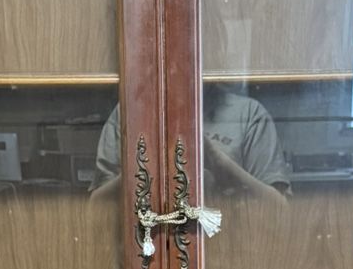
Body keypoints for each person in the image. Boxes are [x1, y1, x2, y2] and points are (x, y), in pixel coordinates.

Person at [91, 85, 291, 205]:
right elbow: (95, 210)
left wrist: (219, 162)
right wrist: (145, 164)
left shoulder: (248, 113)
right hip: (146, 262)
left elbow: (280, 212)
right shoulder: (129, 111)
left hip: (229, 259)